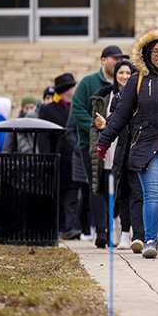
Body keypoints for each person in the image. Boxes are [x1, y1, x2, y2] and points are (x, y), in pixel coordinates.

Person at [97, 29, 158, 259]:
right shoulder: (137, 80)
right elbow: (121, 115)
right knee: (153, 194)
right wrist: (104, 142)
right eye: (155, 51)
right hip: (146, 147)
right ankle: (150, 239)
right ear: (147, 54)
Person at [71, 45, 129, 240]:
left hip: (117, 144)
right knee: (96, 186)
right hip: (91, 143)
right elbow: (77, 109)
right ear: (103, 60)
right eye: (113, 58)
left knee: (117, 186)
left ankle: (115, 227)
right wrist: (95, 126)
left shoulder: (128, 84)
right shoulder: (89, 82)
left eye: (120, 59)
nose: (116, 62)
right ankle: (101, 231)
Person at [89, 60, 139, 250]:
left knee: (128, 191)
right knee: (113, 192)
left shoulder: (137, 95)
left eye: (128, 73)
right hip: (109, 148)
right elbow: (96, 124)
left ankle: (130, 231)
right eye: (121, 73)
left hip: (128, 148)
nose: (125, 76)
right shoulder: (105, 96)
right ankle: (113, 228)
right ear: (115, 75)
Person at [38, 73, 79, 240]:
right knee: (58, 195)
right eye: (70, 88)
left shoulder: (76, 108)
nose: (73, 91)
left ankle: (70, 228)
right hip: (56, 159)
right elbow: (44, 137)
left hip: (73, 159)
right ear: (64, 91)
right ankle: (58, 227)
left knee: (72, 196)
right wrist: (47, 158)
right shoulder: (48, 110)